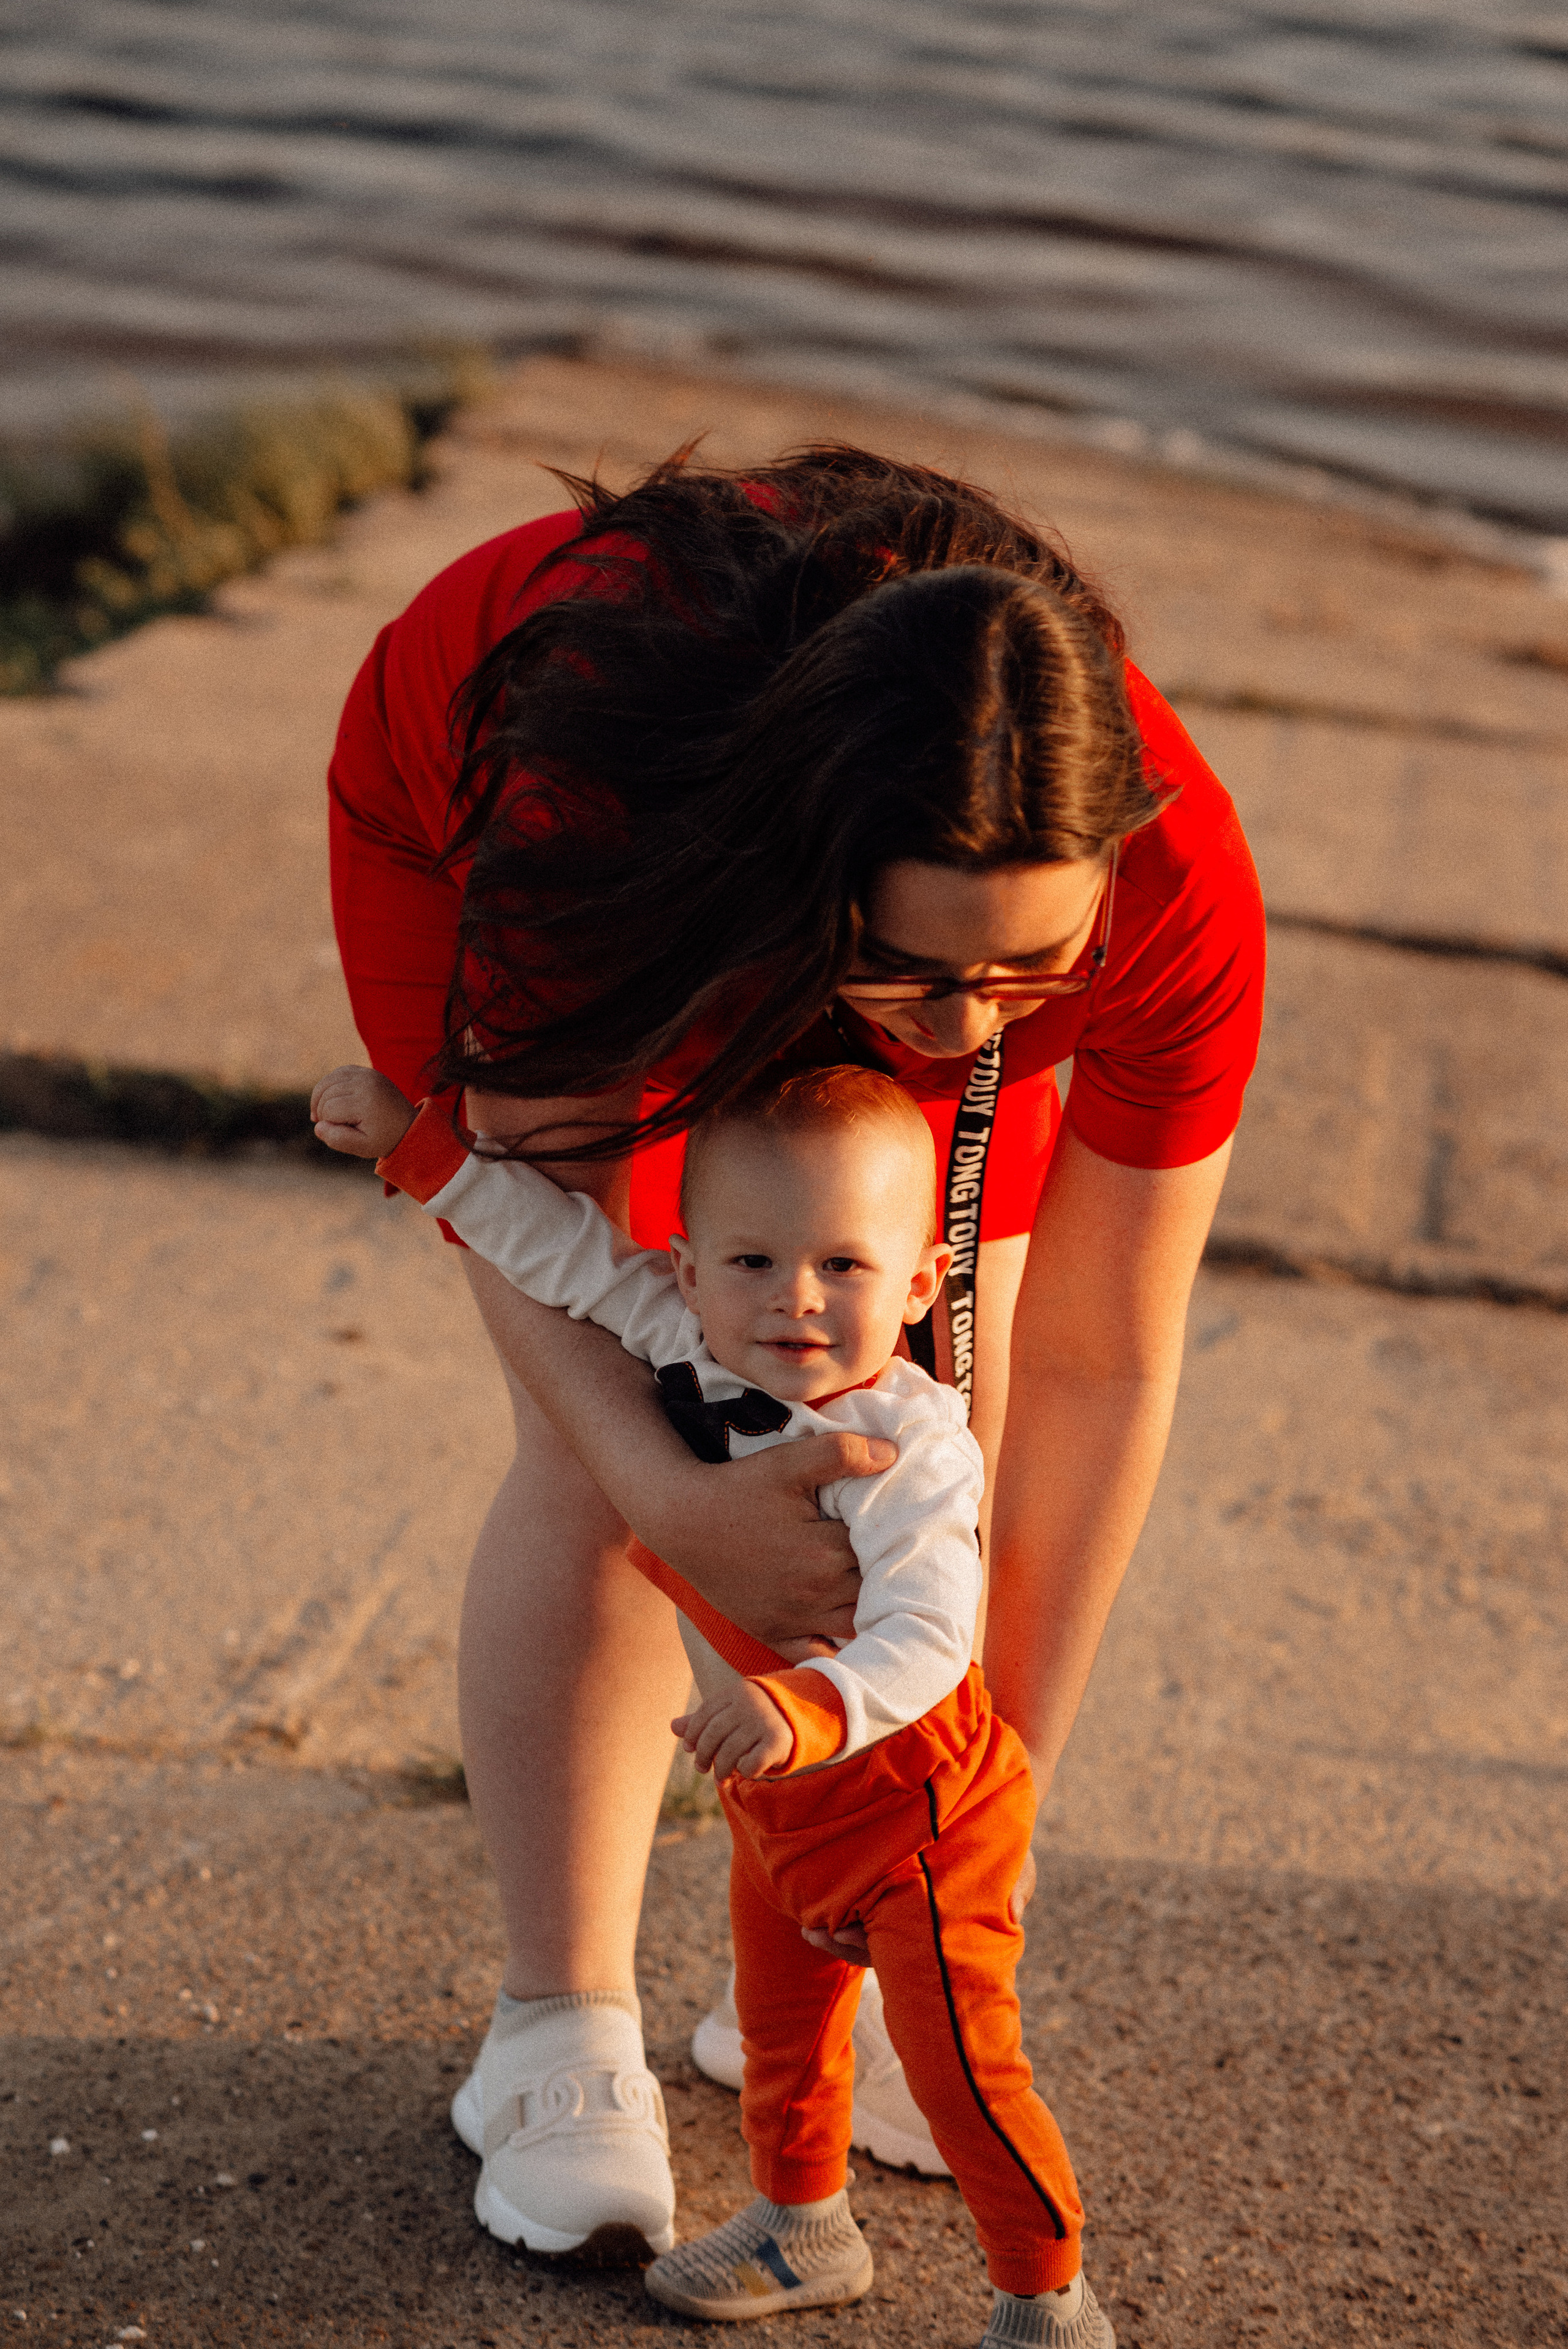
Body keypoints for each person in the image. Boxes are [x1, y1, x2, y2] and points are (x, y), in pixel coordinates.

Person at [326, 444, 1264, 2272]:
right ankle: (554, 2020)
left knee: (932, 1404)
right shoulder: (591, 812)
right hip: (562, 813)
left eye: (1027, 985)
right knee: (632, 1403)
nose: (960, 1039)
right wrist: (679, 1495)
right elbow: (542, 1255)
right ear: (823, 874)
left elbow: (1101, 1365)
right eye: (924, 989)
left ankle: (895, 1922)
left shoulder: (1163, 907)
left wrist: (959, 1834)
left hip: (886, 885)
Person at [309, 1057, 1113, 2345]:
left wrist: (809, 1709)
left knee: (968, 2079)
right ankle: (803, 2230)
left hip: (917, 1811)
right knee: (786, 2048)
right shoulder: (679, 1339)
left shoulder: (909, 1445)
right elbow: (555, 1250)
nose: (792, 1298)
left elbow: (929, 1634)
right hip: (778, 1800)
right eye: (751, 1264)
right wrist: (418, 1153)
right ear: (687, 1271)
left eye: (841, 1268)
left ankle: (1043, 2298)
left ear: (914, 1287)